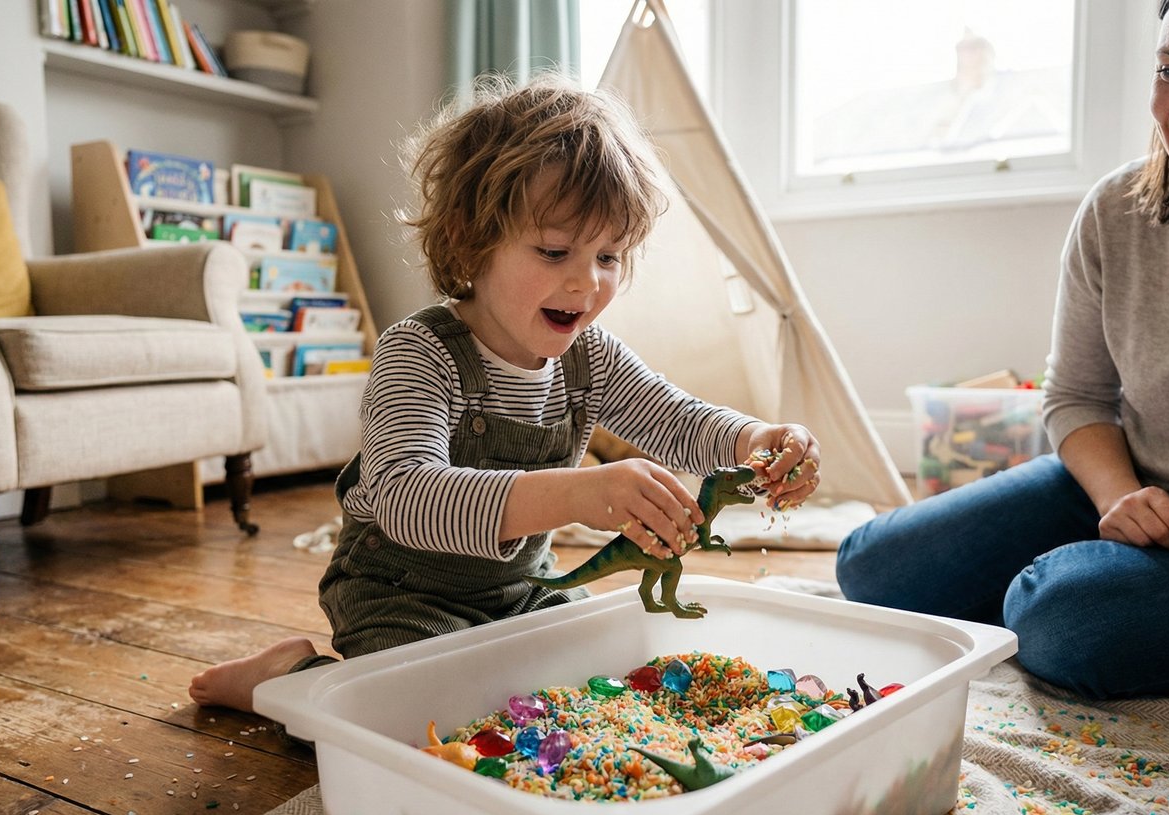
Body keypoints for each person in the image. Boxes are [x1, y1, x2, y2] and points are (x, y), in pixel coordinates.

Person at [191, 74, 822, 713]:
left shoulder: (590, 356)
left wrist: (756, 438)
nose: (586, 283)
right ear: (472, 240)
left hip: (523, 591)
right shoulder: (419, 351)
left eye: (609, 256)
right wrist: (580, 494)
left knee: (601, 689)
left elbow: (678, 420)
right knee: (413, 715)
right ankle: (286, 678)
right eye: (554, 251)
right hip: (404, 595)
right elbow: (408, 497)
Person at [836, 0, 1169, 699]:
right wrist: (1121, 496)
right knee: (872, 566)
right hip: (1143, 489)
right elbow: (1078, 396)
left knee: (1060, 616)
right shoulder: (1116, 210)